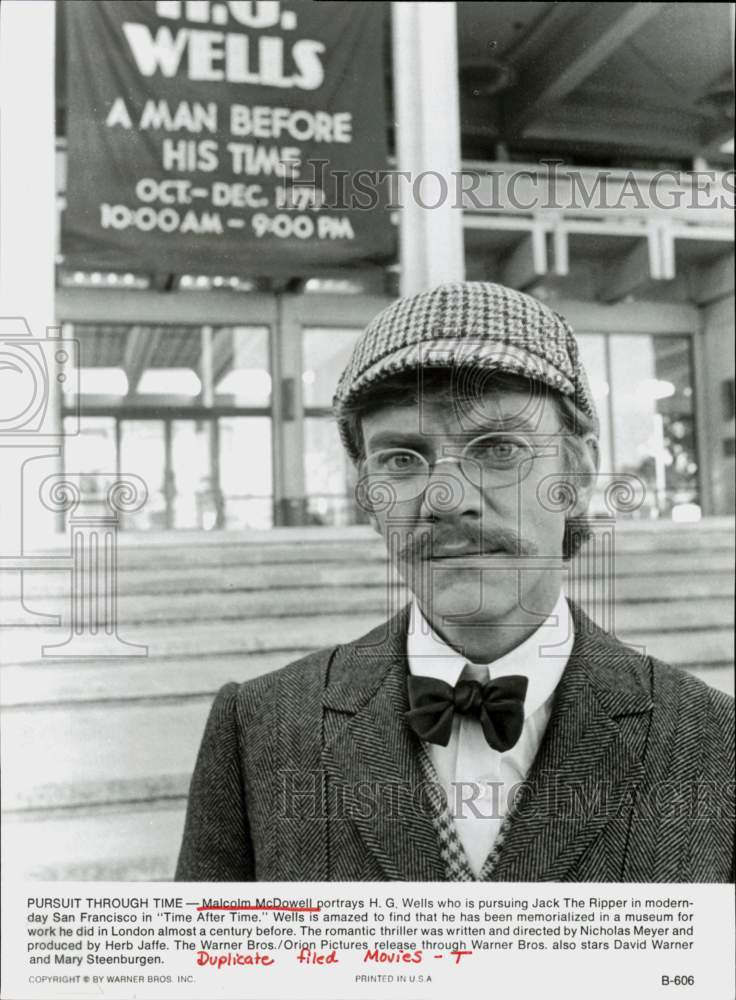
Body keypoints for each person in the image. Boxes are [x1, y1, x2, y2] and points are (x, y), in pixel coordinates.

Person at [176, 281, 734, 883]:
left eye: (498, 448)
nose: (448, 499)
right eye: (402, 459)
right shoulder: (258, 729)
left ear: (576, 473)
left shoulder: (713, 743)